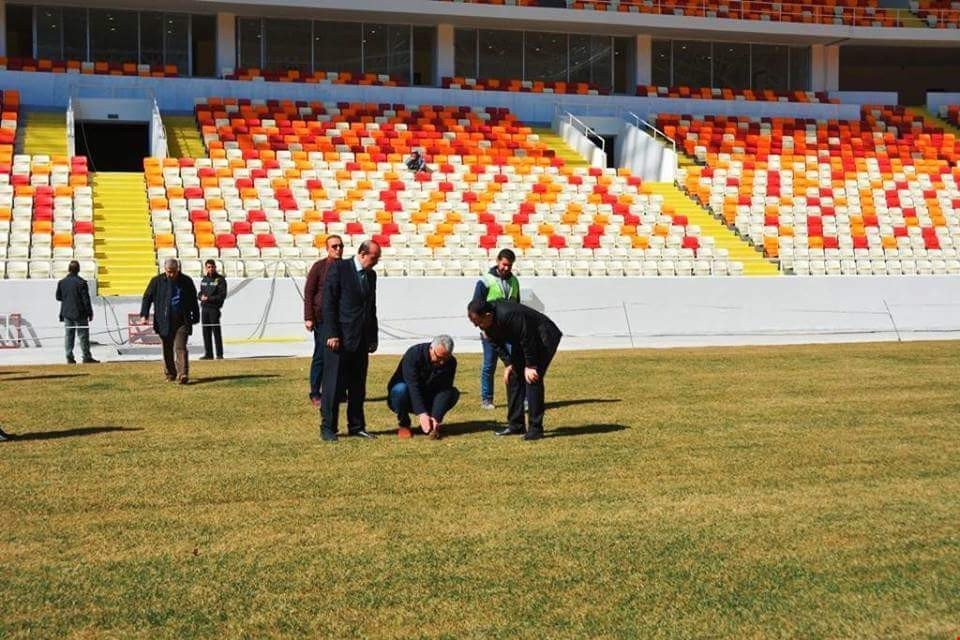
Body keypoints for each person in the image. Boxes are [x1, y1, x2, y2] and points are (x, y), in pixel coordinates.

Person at [467, 300, 562, 441]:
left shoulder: (509, 314)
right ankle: (516, 425)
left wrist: (530, 365)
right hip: (523, 340)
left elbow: (527, 336)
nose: (476, 326)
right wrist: (508, 363)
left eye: (477, 322)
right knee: (513, 377)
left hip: (544, 336)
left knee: (532, 378)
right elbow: (495, 342)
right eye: (473, 322)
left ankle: (535, 429)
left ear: (487, 315)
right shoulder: (487, 323)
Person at [319, 240, 381, 442]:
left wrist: (372, 337)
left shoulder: (371, 276)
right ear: (363, 254)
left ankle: (357, 425)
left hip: (361, 339)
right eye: (374, 258)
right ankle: (328, 427)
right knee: (333, 385)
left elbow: (371, 307)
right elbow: (328, 303)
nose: (376, 262)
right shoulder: (339, 269)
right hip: (339, 339)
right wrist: (331, 333)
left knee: (358, 386)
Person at [471, 249, 519, 410]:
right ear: (498, 261)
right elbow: (476, 306)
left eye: (510, 266)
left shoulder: (515, 282)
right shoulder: (485, 281)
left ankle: (518, 397)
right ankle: (487, 399)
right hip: (490, 331)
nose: (506, 268)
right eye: (504, 264)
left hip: (510, 331)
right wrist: (483, 328)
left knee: (515, 363)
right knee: (489, 365)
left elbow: (517, 306)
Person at [140, 258, 200, 384]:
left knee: (180, 347)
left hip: (182, 320)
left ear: (178, 269)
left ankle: (183, 374)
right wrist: (144, 315)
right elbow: (147, 298)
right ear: (164, 269)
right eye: (169, 271)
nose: (171, 274)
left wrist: (196, 315)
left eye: (173, 271)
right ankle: (170, 373)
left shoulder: (186, 281)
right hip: (163, 321)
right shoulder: (156, 281)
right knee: (167, 348)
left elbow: (193, 300)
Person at [387, 335, 459, 440]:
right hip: (407, 396)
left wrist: (436, 416)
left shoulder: (451, 362)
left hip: (428, 396)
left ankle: (430, 424)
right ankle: (404, 424)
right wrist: (421, 413)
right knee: (400, 390)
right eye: (439, 357)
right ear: (431, 348)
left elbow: (444, 389)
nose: (442, 362)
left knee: (452, 393)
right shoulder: (413, 354)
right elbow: (412, 385)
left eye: (445, 358)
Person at [303, 235, 344, 407]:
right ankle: (315, 392)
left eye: (340, 246)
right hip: (322, 319)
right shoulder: (319, 267)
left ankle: (338, 391)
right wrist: (308, 317)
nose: (338, 249)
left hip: (341, 319)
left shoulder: (346, 267)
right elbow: (309, 292)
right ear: (327, 248)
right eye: (334, 246)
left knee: (341, 357)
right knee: (320, 355)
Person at [55, 260, 98, 364]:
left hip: (67, 313)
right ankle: (86, 356)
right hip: (80, 313)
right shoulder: (81, 282)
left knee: (69, 335)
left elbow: (58, 297)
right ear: (78, 270)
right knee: (83, 335)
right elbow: (86, 300)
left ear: (69, 269)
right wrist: (90, 312)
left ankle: (69, 356)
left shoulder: (62, 282)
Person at [198, 259, 227, 360]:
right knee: (206, 332)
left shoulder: (220, 280)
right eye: (208, 267)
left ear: (215, 267)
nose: (210, 269)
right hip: (204, 309)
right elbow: (200, 292)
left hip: (214, 309)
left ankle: (219, 354)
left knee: (216, 332)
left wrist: (209, 299)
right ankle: (208, 353)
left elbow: (222, 295)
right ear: (206, 268)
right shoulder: (204, 280)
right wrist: (200, 296)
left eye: (212, 267)